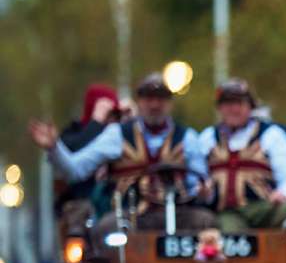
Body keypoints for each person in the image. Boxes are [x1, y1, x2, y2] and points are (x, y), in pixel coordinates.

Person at [29, 73, 214, 231]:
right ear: (139, 102)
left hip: (177, 213)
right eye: (149, 99)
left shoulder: (187, 138)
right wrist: (54, 147)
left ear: (169, 104)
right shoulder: (117, 135)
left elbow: (200, 183)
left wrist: (204, 192)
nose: (155, 105)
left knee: (207, 222)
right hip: (130, 215)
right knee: (107, 228)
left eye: (161, 99)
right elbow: (76, 169)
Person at [198, 78, 286, 232]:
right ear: (220, 108)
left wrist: (284, 194)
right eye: (228, 104)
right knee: (231, 231)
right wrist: (203, 191)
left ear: (250, 107)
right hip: (227, 212)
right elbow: (197, 177)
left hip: (262, 208)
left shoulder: (272, 135)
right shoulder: (208, 138)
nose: (234, 109)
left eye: (239, 103)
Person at [54, 84, 121, 234]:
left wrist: (132, 117)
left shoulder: (121, 136)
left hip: (117, 206)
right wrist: (96, 123)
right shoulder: (72, 133)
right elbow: (71, 158)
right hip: (81, 204)